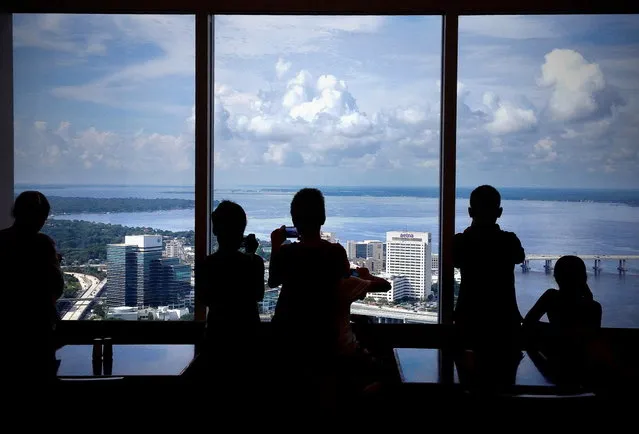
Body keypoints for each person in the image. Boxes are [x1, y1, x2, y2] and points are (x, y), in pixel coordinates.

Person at [268, 188, 392, 407]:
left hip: (291, 347)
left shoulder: (288, 254)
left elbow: (273, 280)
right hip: (329, 346)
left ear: (294, 221)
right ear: (323, 218)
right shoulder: (335, 253)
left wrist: (277, 245)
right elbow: (346, 275)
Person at [196, 200, 265, 387]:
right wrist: (251, 253)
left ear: (215, 230)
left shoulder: (206, 265)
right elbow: (258, 295)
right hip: (249, 340)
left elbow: (204, 298)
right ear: (242, 231)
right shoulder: (254, 263)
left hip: (217, 338)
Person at [0, 191, 64, 383]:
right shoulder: (42, 244)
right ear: (42, 217)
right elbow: (57, 287)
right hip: (37, 330)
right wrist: (55, 264)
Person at [453, 185, 525, 344]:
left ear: (470, 212)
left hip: (468, 316)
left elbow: (455, 261)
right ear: (499, 213)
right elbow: (520, 258)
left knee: (464, 365)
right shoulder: (509, 241)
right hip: (504, 318)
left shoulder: (460, 241)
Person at [524, 255, 602, 388]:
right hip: (581, 366)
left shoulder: (551, 297)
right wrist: (588, 296)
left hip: (554, 361)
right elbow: (591, 339)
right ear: (584, 278)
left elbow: (528, 322)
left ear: (556, 277)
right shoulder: (594, 307)